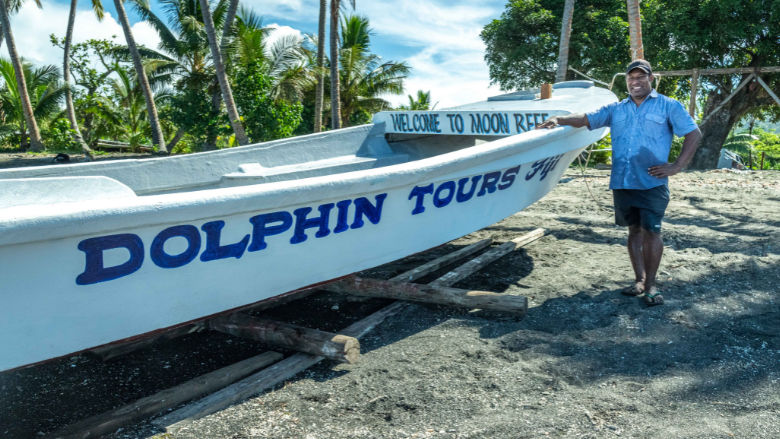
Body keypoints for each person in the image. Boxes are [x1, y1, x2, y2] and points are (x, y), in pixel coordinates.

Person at [537, 59, 702, 306]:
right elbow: (586, 118)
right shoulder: (616, 109)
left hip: (652, 182)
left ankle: (651, 285)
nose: (635, 82)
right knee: (633, 230)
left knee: (652, 231)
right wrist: (559, 119)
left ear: (651, 79)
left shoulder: (668, 106)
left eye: (641, 77)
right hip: (623, 181)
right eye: (631, 78)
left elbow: (694, 133)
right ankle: (639, 280)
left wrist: (677, 166)